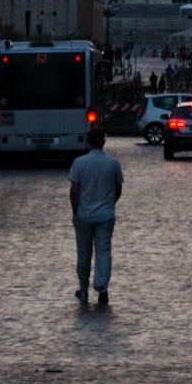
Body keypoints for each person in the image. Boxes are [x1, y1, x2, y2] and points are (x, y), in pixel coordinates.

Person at [68, 127, 123, 305]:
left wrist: (75, 211)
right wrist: (109, 204)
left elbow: (74, 191)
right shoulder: (113, 164)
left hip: (84, 215)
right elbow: (118, 189)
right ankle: (102, 287)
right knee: (104, 251)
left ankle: (83, 289)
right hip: (105, 215)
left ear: (88, 141)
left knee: (84, 253)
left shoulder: (79, 163)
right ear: (103, 142)